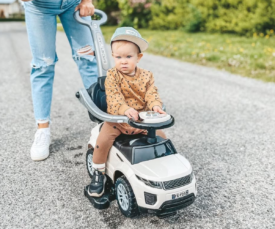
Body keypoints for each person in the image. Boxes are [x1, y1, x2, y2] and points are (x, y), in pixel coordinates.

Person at [87, 27, 167, 197]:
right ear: (113, 57)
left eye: (128, 57)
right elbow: (114, 98)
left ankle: (164, 165)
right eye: (118, 57)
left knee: (162, 136)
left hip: (141, 121)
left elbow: (151, 94)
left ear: (139, 58)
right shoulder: (112, 76)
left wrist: (155, 106)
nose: (123, 61)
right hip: (118, 121)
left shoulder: (147, 76)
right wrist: (125, 110)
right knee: (102, 141)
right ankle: (98, 173)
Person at [21, 0, 98, 161]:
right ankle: (43, 130)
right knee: (43, 66)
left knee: (88, 59)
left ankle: (103, 123)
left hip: (73, 3)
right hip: (40, 7)